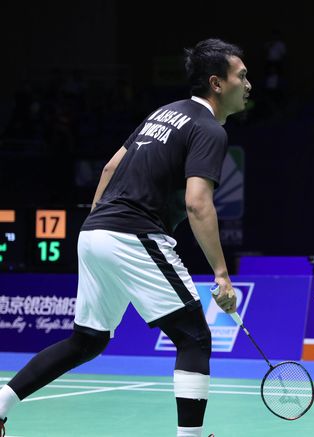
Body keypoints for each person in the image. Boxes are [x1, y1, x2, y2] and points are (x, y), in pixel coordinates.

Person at [0, 38, 251, 437]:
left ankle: (0, 405)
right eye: (241, 75)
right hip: (133, 234)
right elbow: (197, 204)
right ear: (216, 83)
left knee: (87, 341)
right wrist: (221, 273)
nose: (248, 84)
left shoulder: (163, 114)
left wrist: (99, 220)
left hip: (96, 231)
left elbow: (109, 168)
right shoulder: (208, 129)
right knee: (194, 336)